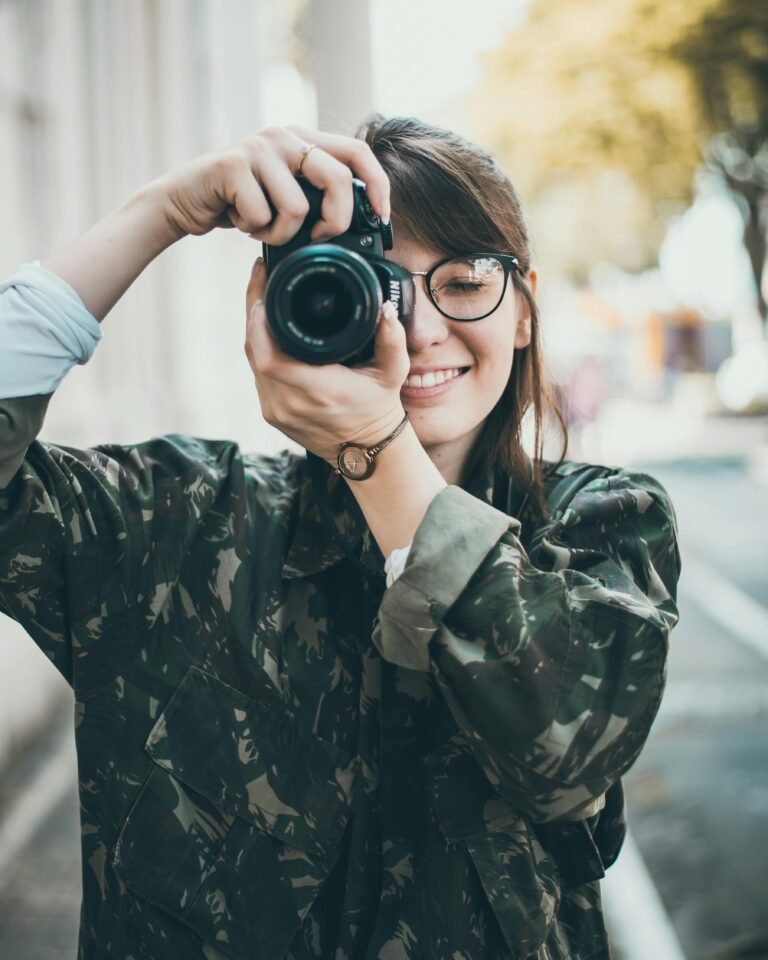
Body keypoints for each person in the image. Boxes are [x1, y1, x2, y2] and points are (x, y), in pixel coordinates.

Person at [0, 117, 681, 960]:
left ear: (523, 312)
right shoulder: (174, 527)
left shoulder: (602, 527)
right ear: (287, 299)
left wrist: (376, 453)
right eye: (374, 284)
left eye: (465, 282)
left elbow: (568, 750)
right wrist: (162, 211)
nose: (420, 328)